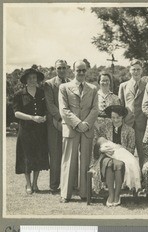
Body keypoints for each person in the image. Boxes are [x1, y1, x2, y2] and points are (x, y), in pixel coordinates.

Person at [58, 60, 98, 203]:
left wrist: (86, 123)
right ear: (73, 71)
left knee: (86, 161)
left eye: (83, 70)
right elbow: (63, 110)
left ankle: (85, 193)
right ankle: (65, 194)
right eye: (78, 70)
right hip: (71, 128)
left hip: (87, 129)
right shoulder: (64, 87)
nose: (81, 73)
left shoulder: (93, 88)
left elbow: (95, 109)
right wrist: (77, 123)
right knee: (68, 161)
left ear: (86, 71)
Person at [13, 68, 49, 194]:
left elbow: (46, 109)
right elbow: (16, 113)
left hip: (40, 130)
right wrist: (32, 118)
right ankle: (28, 184)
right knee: (27, 157)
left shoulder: (42, 93)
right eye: (30, 78)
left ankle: (35, 184)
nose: (33, 80)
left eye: (34, 78)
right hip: (26, 131)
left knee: (38, 156)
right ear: (25, 80)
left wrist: (44, 117)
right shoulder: (19, 94)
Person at [91, 105, 136, 207]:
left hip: (123, 158)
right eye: (113, 117)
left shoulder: (130, 131)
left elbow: (131, 149)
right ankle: (111, 195)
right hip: (106, 156)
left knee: (118, 165)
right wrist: (102, 149)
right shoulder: (104, 128)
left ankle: (117, 195)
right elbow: (96, 144)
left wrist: (120, 149)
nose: (115, 120)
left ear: (122, 117)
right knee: (109, 164)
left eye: (118, 118)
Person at [44, 59, 69, 194]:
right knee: (55, 154)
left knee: (69, 154)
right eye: (59, 68)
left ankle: (67, 183)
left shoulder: (71, 82)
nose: (61, 70)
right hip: (54, 123)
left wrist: (69, 119)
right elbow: (50, 104)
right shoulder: (49, 84)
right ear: (55, 69)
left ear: (67, 68)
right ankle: (54, 185)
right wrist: (60, 118)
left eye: (64, 67)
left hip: (69, 123)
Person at [119, 59, 147, 168]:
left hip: (142, 124)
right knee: (127, 154)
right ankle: (128, 181)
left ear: (142, 71)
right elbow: (121, 106)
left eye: (138, 69)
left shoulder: (147, 85)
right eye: (134, 69)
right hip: (128, 124)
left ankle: (143, 180)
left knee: (143, 154)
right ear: (130, 70)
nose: (136, 72)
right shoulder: (123, 86)